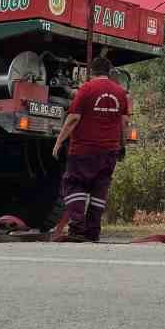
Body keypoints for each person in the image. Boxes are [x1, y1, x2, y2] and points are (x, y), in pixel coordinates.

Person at [51, 56, 130, 242]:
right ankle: (93, 231)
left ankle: (77, 229)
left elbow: (73, 119)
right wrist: (122, 145)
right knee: (99, 190)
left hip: (83, 150)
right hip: (109, 151)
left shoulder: (85, 89)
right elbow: (124, 122)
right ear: (109, 71)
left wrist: (59, 141)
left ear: (91, 71)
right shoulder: (120, 93)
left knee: (74, 185)